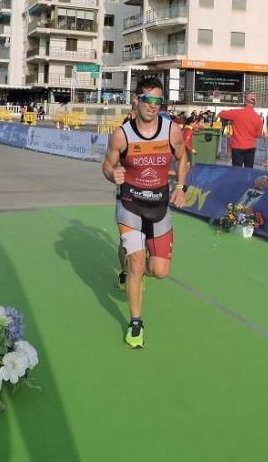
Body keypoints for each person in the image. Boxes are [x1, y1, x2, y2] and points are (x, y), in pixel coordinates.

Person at [101, 77, 189, 349]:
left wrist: (182, 186)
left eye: (158, 101)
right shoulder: (122, 134)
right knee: (137, 263)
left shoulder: (172, 130)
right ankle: (136, 322)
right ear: (136, 100)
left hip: (159, 206)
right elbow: (107, 163)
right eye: (147, 100)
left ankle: (129, 261)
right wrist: (112, 173)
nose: (153, 106)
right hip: (130, 204)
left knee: (160, 271)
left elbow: (183, 158)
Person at [218, 93, 264, 168]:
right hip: (250, 147)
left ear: (245, 101)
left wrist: (231, 121)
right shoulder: (258, 118)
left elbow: (221, 113)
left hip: (237, 147)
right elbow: (258, 135)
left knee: (236, 172)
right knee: (248, 171)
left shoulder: (237, 113)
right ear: (255, 103)